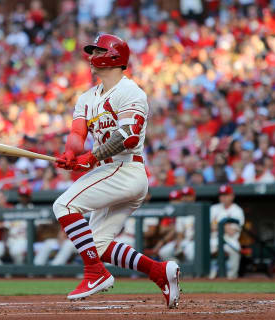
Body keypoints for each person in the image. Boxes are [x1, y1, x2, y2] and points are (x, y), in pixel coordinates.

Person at [53, 34, 180, 307]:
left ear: (112, 56)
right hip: (111, 172)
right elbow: (77, 133)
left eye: (97, 50)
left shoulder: (130, 91)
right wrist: (70, 153)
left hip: (125, 169)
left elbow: (127, 136)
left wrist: (92, 156)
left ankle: (95, 273)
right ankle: (159, 271)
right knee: (95, 246)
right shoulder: (87, 97)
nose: (91, 56)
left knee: (63, 206)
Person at [209, 185, 245, 279]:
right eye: (221, 195)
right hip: (213, 239)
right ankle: (208, 274)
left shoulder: (237, 210)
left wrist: (216, 225)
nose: (223, 197)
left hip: (230, 241)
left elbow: (231, 232)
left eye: (226, 195)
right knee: (204, 247)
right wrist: (224, 226)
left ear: (232, 196)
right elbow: (207, 227)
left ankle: (232, 277)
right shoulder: (214, 208)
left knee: (235, 248)